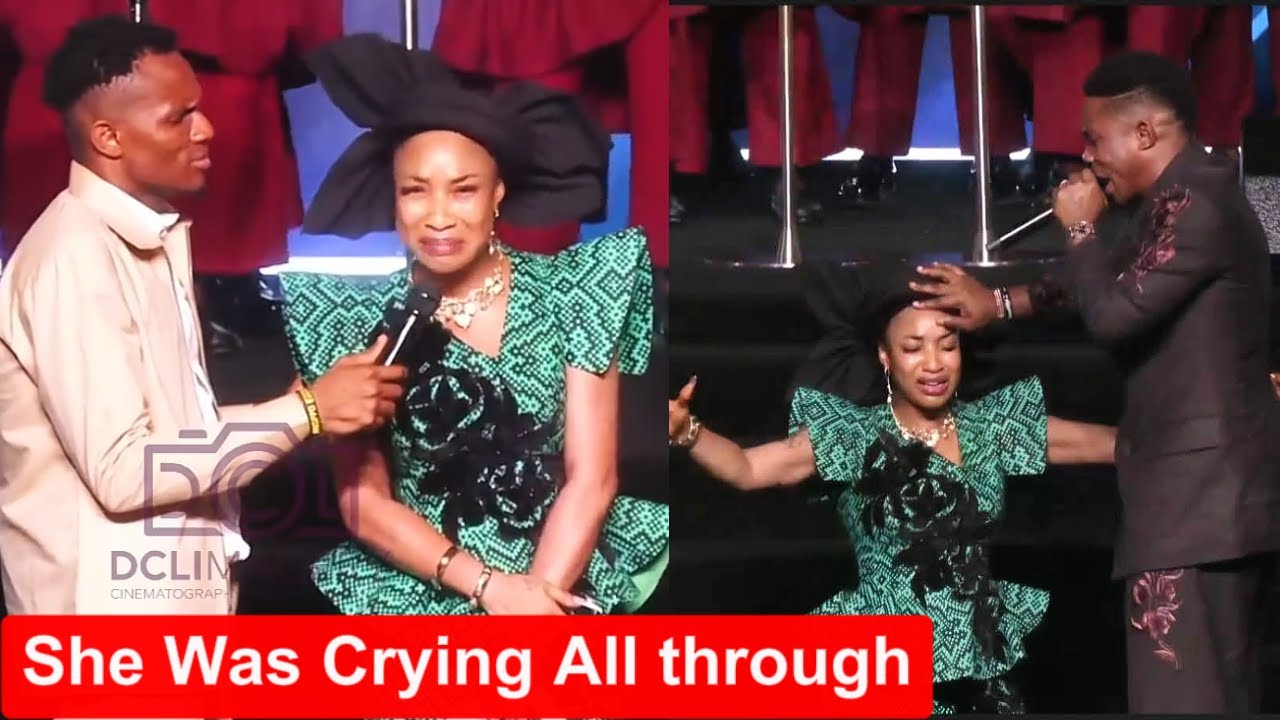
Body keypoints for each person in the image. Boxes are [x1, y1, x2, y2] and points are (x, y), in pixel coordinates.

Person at [909, 52, 1280, 713]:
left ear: (1145, 133)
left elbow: (1114, 311)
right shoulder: (1179, 194)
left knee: (1184, 700)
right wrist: (1001, 304)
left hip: (1199, 504)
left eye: (1093, 138)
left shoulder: (1196, 202)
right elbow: (1119, 276)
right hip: (1199, 502)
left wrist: (1081, 227)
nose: (1085, 157)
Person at [0, 16, 406, 616]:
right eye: (179, 117)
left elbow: (173, 431)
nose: (207, 128)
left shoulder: (142, 238)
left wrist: (300, 409)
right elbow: (126, 470)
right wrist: (306, 411)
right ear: (109, 138)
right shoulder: (75, 258)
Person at [277, 34, 668, 617]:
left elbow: (593, 477)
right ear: (393, 198)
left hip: (560, 566)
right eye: (415, 191)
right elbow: (363, 500)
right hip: (425, 571)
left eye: (464, 191)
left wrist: (534, 606)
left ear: (497, 194)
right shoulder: (353, 317)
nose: (438, 216)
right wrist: (488, 589)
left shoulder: (574, 290)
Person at [668, 262, 1116, 712]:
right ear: (885, 355)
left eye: (947, 345)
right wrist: (688, 432)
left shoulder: (993, 426)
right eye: (913, 348)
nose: (934, 363)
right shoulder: (855, 435)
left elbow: (1119, 444)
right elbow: (746, 468)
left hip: (979, 670)